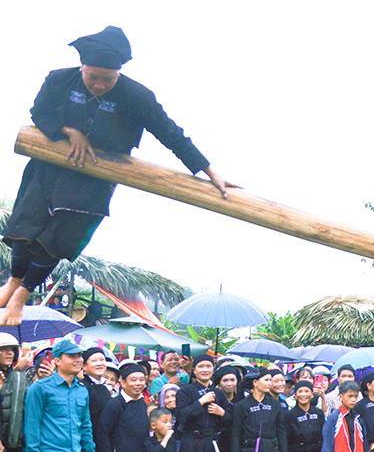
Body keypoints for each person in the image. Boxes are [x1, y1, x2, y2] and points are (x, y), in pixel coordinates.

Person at [0, 27, 235, 325]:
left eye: (107, 79)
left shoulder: (137, 96)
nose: (98, 85)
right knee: (26, 225)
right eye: (92, 77)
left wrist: (208, 170)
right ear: (82, 68)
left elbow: (170, 133)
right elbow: (39, 112)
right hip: (51, 164)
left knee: (57, 239)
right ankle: (14, 280)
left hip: (95, 178)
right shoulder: (59, 79)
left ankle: (22, 294)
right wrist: (67, 131)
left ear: (119, 74)